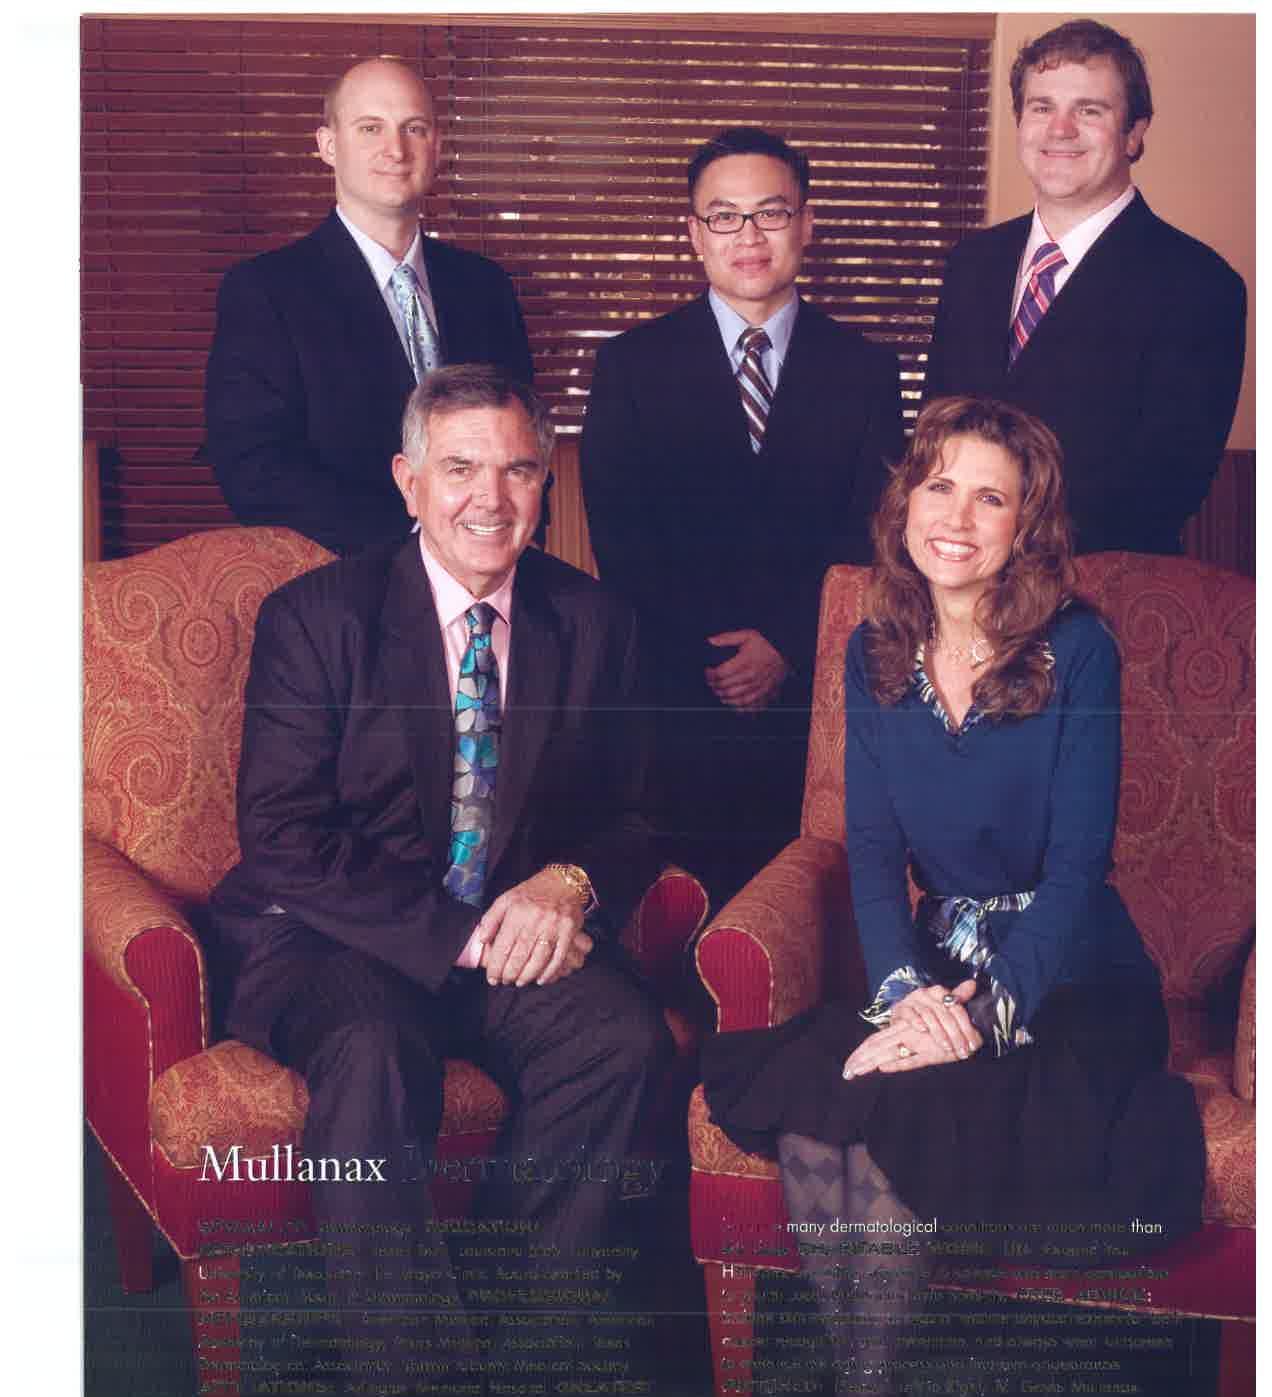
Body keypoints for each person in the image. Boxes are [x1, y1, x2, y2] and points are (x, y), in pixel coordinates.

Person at [702, 396, 1204, 1397]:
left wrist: (978, 1019)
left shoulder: (1077, 648)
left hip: (1069, 973)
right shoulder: (870, 647)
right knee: (822, 1107)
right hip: (933, 961)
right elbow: (873, 853)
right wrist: (904, 992)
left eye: (992, 496)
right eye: (940, 486)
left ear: (1028, 524)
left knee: (906, 1107)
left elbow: (1077, 868)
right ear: (905, 500)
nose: (959, 518)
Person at [205, 365, 672, 1397]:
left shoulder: (597, 622)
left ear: (546, 486)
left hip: (515, 928)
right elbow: (281, 836)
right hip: (332, 935)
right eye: (460, 467)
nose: (489, 497)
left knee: (623, 1040)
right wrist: (461, 935)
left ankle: (498, 1374)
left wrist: (571, 881)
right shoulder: (318, 616)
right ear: (409, 481)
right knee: (372, 1057)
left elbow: (636, 814)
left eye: (517, 469)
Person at [581, 126, 903, 906]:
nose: (749, 237)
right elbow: (622, 537)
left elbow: (874, 529)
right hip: (676, 687)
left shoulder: (864, 368)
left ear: (806, 224)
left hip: (814, 686)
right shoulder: (631, 364)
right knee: (674, 895)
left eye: (771, 213)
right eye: (725, 216)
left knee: (806, 899)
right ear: (694, 233)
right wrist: (715, 655)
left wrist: (785, 646)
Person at [924, 18, 1245, 556]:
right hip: (955, 575)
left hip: (1098, 586)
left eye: (1089, 110)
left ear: (1135, 133)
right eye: (1042, 107)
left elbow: (1165, 487)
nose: (1060, 129)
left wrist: (1006, 551)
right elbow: (937, 434)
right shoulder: (972, 263)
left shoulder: (1200, 285)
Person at [204, 57, 533, 557]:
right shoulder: (266, 291)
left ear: (436, 146)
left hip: (492, 568)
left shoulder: (485, 287)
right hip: (347, 574)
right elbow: (254, 469)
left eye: (414, 128)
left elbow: (524, 438)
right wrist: (418, 548)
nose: (395, 150)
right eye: (370, 128)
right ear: (328, 145)